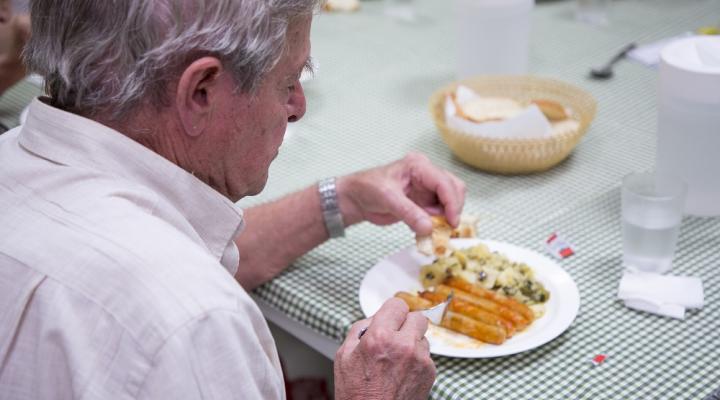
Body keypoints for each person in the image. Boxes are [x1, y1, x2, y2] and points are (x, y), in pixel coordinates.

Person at [0, 1, 465, 399]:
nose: (298, 105)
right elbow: (171, 292)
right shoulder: (198, 329)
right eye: (289, 80)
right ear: (200, 90)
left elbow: (170, 251)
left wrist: (344, 198)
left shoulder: (16, 157)